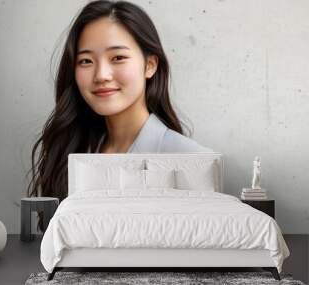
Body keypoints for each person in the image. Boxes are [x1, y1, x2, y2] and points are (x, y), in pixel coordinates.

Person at [28, 0, 213, 201]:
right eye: (86, 61)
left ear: (150, 65)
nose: (101, 75)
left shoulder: (191, 160)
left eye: (118, 58)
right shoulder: (72, 153)